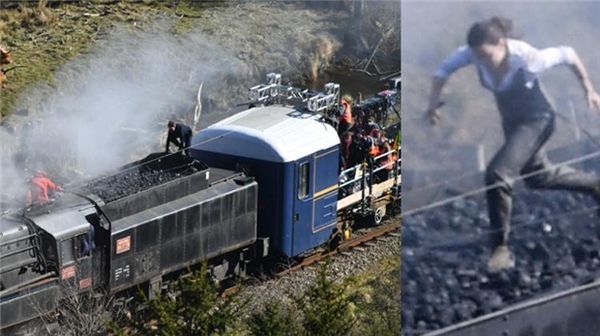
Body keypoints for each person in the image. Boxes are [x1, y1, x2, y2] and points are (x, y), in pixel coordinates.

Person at [426, 16, 600, 271]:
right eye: (478, 57)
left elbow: (568, 54)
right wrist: (432, 104)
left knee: (497, 173)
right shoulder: (472, 53)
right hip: (513, 123)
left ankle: (500, 249)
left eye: (487, 56)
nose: (482, 62)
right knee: (537, 176)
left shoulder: (527, 57)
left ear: (501, 44)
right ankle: (595, 185)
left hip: (538, 119)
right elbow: (442, 71)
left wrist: (588, 89)